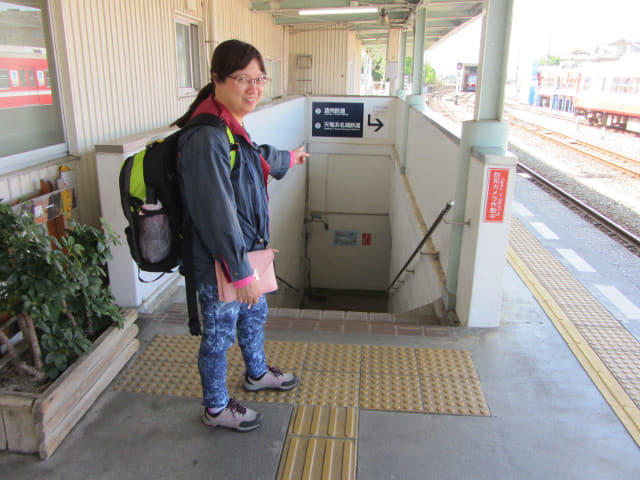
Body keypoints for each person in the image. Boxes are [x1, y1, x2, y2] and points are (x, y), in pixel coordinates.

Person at [174, 39, 309, 432]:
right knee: (218, 335)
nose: (254, 88)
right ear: (217, 79)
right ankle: (215, 408)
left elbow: (253, 156)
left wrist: (289, 158)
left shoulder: (228, 126)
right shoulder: (205, 137)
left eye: (260, 79)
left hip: (244, 253)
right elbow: (216, 213)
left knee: (255, 314)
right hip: (220, 261)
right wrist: (241, 273)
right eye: (242, 79)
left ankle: (256, 373)